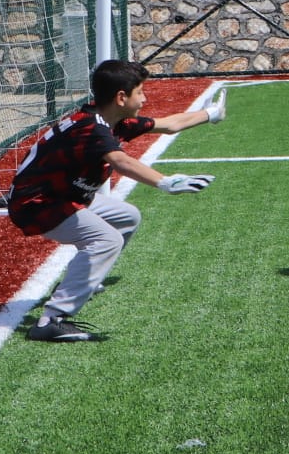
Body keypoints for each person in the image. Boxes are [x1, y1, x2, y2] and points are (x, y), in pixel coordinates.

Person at [11, 59, 224, 341]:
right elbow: (121, 162)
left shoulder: (113, 121)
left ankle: (85, 278)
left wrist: (211, 113)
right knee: (106, 240)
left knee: (127, 217)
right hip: (37, 203)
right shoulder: (91, 128)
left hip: (65, 196)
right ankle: (51, 320)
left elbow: (170, 124)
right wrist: (166, 182)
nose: (145, 99)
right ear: (121, 98)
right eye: (141, 92)